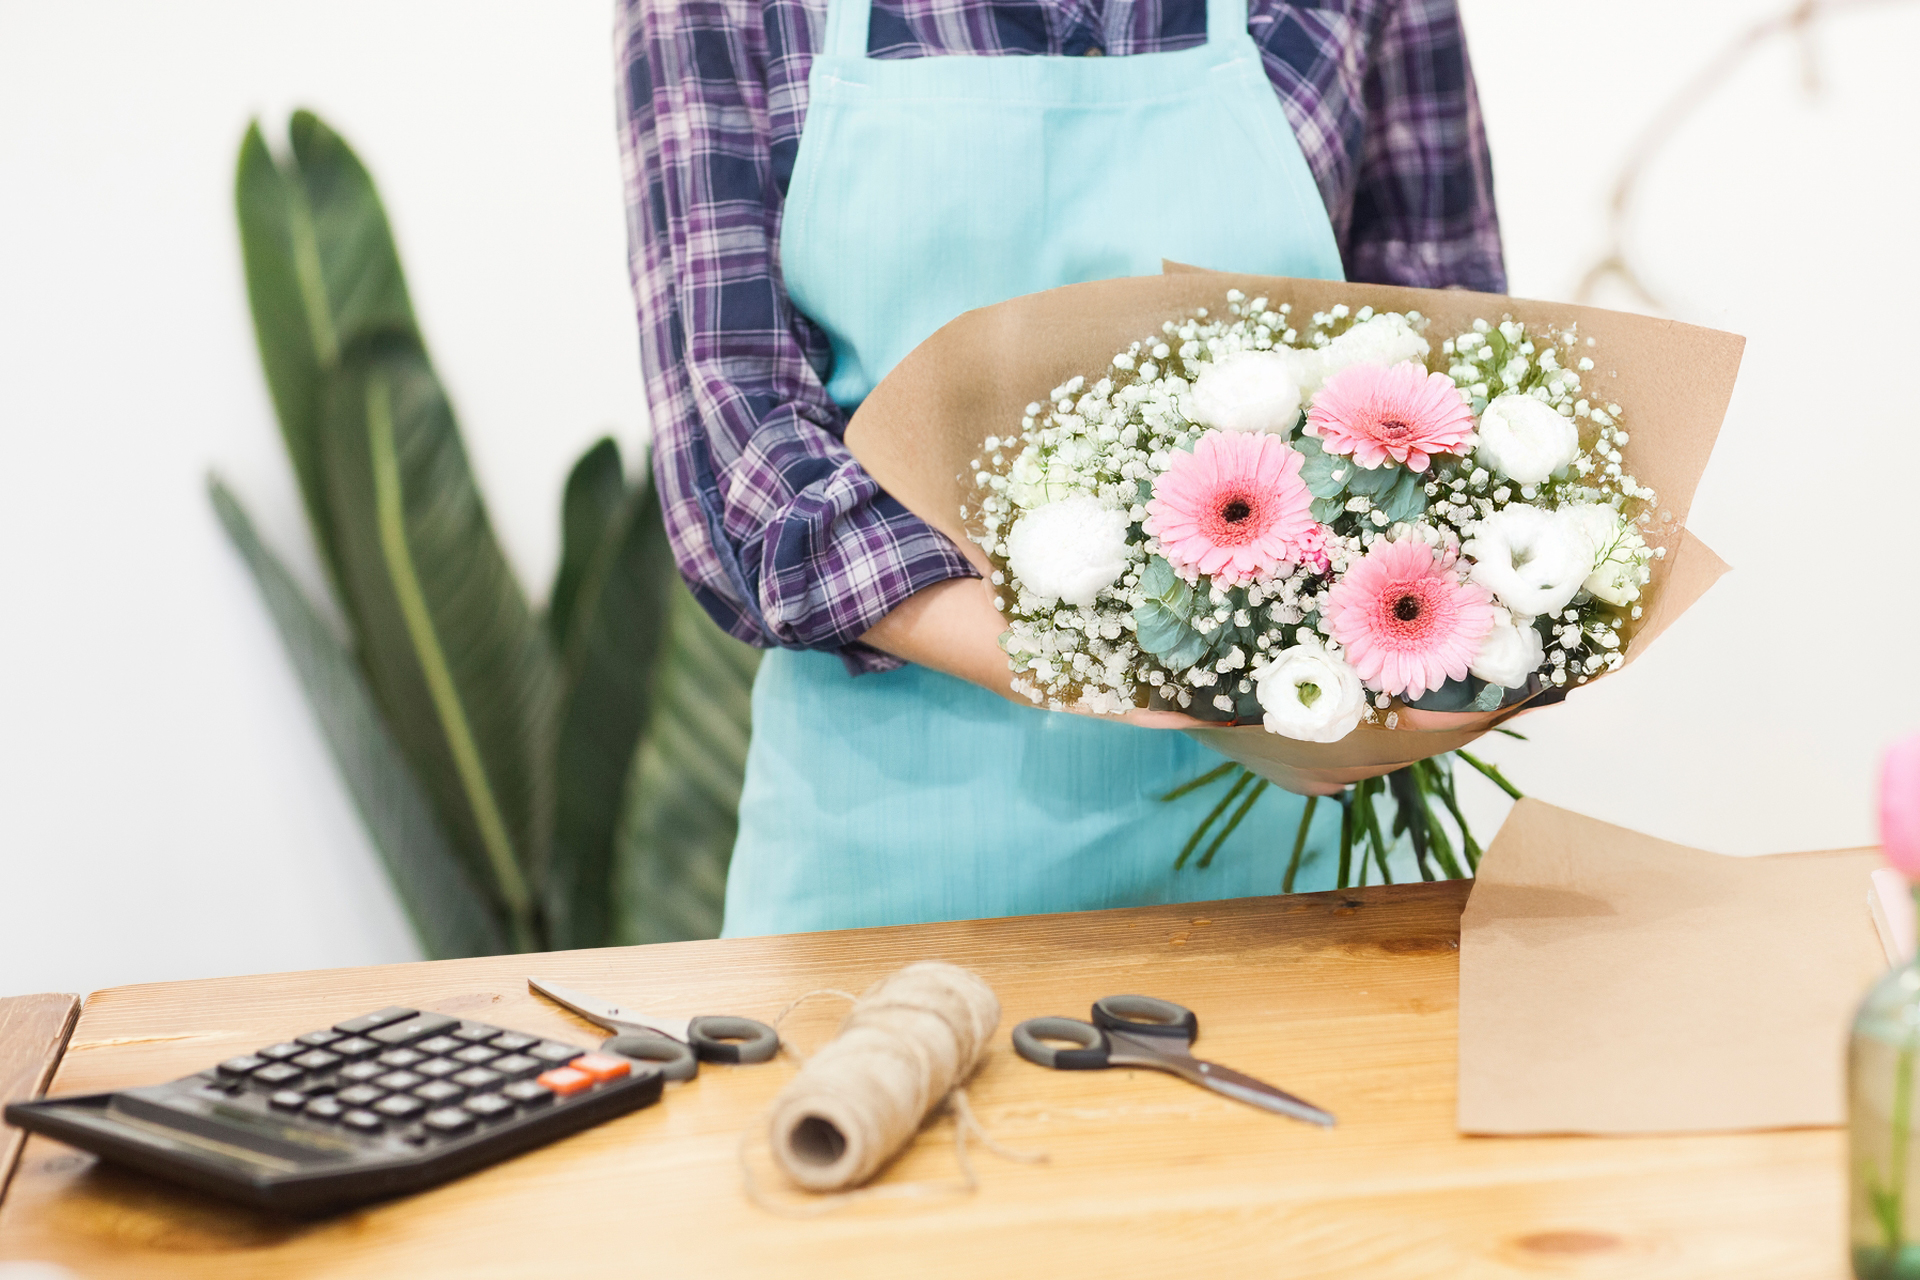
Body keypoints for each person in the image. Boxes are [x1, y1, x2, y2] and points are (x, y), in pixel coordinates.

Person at [614, 0, 1504, 936]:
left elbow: (1451, 365)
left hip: (1302, 846)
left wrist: (1425, 663)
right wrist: (1144, 674)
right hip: (898, 873)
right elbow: (739, 442)